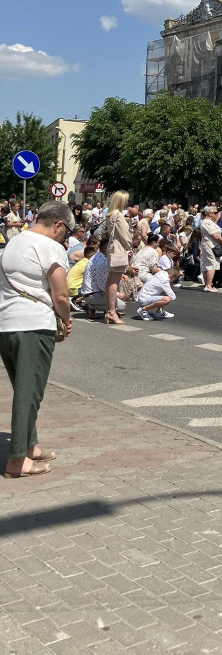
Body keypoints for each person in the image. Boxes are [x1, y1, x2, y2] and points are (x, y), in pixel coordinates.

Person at [0, 200, 74, 478]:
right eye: (66, 231)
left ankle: (30, 446)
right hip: (33, 324)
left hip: (6, 325)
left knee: (24, 388)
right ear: (58, 225)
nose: (64, 236)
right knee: (30, 393)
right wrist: (66, 319)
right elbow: (61, 295)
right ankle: (17, 461)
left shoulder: (14, 242)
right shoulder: (51, 247)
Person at [102, 190, 131, 325]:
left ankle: (110, 310)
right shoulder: (118, 215)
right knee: (115, 280)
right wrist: (130, 246)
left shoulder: (110, 214)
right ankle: (112, 312)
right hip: (119, 248)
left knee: (111, 280)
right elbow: (125, 235)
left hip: (112, 247)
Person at [80, 237, 128, 319]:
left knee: (117, 302)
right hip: (93, 294)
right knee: (121, 306)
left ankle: (95, 306)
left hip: (94, 292)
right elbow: (103, 286)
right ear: (107, 248)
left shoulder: (99, 257)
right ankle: (91, 306)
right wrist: (117, 294)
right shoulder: (102, 262)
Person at [201, 205, 222, 292]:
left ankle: (207, 284)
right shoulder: (207, 222)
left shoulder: (210, 222)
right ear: (210, 213)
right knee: (211, 264)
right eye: (215, 213)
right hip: (211, 245)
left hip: (211, 245)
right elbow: (215, 235)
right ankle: (208, 285)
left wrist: (217, 218)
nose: (216, 214)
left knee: (208, 264)